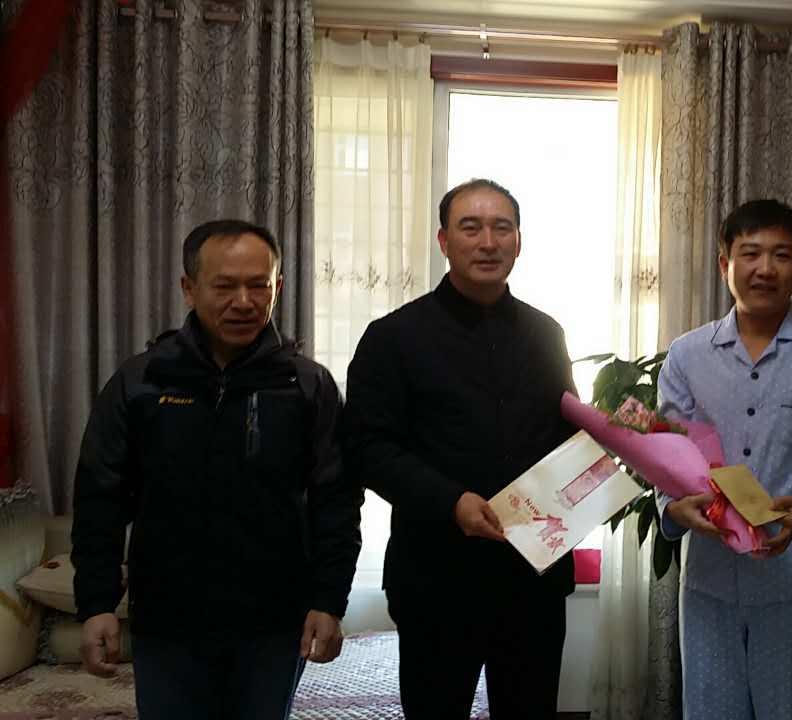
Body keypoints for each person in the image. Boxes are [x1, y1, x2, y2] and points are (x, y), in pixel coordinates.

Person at [72, 219, 361, 720]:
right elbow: (100, 497)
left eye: (259, 285)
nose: (244, 302)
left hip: (274, 622)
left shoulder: (306, 386)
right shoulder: (142, 382)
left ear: (278, 287)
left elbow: (336, 501)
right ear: (189, 288)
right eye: (224, 286)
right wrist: (97, 603)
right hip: (168, 622)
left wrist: (329, 600)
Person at [342, 179, 577, 719]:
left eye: (501, 228)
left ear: (519, 242)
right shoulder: (393, 337)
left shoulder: (547, 333)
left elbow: (563, 434)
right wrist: (451, 502)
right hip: (435, 577)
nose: (487, 242)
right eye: (471, 228)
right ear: (444, 241)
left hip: (533, 578)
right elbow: (367, 447)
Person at [657, 199, 792, 720]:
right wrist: (673, 507)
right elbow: (667, 453)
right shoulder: (686, 355)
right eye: (750, 253)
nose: (765, 269)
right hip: (710, 579)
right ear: (724, 264)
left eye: (781, 255)